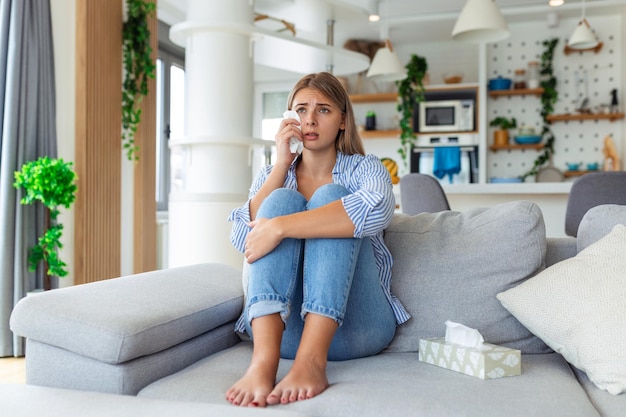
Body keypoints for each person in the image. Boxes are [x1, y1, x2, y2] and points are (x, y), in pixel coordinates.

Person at [226, 72, 409, 407]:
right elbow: (243, 240)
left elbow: (378, 209)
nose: (309, 119)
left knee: (330, 198)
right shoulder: (271, 175)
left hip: (358, 329)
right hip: (283, 336)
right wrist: (281, 166)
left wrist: (281, 227)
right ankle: (262, 364)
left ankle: (312, 363)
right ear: (288, 119)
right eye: (300, 110)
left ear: (342, 120)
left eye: (323, 110)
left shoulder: (365, 168)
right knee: (280, 201)